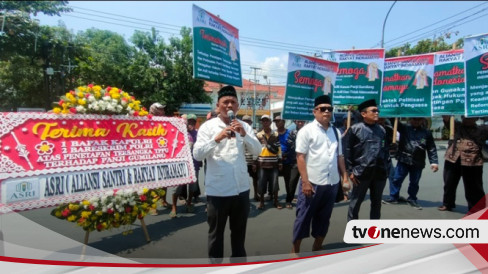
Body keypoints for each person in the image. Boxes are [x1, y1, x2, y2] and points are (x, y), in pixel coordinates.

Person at [193, 85, 261, 263]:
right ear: (218, 106)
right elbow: (198, 154)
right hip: (218, 191)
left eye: (233, 102)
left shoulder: (244, 125)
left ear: (238, 106)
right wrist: (218, 138)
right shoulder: (208, 127)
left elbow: (258, 151)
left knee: (239, 236)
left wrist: (244, 134)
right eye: (226, 102)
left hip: (241, 190)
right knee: (216, 236)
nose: (229, 105)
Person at [291, 95, 349, 253]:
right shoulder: (306, 131)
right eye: (322, 109)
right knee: (303, 217)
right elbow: (300, 157)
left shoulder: (336, 132)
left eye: (329, 109)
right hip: (312, 183)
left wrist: (344, 176)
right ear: (314, 111)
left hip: (331, 183)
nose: (326, 112)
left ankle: (317, 246)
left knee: (324, 218)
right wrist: (305, 182)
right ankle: (295, 250)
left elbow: (340, 156)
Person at [346, 99, 390, 221]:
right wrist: (350, 171)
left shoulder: (382, 130)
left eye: (377, 111)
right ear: (364, 114)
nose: (377, 113)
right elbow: (347, 152)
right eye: (373, 111)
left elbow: (385, 151)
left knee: (376, 204)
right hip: (361, 173)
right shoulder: (355, 129)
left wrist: (387, 168)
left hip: (379, 173)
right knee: (355, 203)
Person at [383, 118, 438, 210]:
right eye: (414, 119)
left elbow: (431, 148)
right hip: (403, 159)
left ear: (422, 121)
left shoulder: (426, 132)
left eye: (418, 120)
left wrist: (434, 162)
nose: (416, 121)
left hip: (418, 161)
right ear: (410, 120)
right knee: (396, 179)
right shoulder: (404, 128)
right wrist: (394, 111)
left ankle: (412, 199)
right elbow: (393, 120)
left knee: (414, 182)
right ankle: (394, 197)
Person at [439, 116, 488, 213]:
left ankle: (476, 208)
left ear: (476, 118)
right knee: (449, 183)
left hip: (473, 162)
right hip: (453, 158)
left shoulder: (483, 129)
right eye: (464, 117)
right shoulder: (456, 125)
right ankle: (447, 204)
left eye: (470, 117)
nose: (466, 119)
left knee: (474, 187)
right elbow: (446, 118)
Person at [169, 114, 201, 218]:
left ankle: (189, 203)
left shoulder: (198, 134)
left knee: (192, 187)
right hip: (180, 165)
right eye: (189, 121)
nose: (190, 124)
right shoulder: (179, 132)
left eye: (193, 122)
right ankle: (174, 207)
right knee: (177, 188)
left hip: (193, 164)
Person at [256, 115, 282, 210]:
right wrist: (255, 162)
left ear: (270, 122)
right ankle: (262, 202)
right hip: (262, 163)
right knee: (261, 183)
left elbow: (278, 149)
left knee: (275, 183)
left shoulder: (275, 134)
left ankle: (276, 201)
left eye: (267, 121)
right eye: (263, 121)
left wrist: (280, 161)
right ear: (261, 123)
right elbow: (256, 149)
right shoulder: (258, 135)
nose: (265, 122)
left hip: (273, 163)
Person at [148, 102, 170, 214]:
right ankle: (152, 205)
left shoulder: (165, 121)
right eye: (160, 109)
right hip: (152, 155)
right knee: (154, 182)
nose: (163, 111)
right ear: (154, 110)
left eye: (163, 109)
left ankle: (163, 200)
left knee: (164, 180)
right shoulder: (148, 121)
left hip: (164, 153)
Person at [284, 120, 306, 208]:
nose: (300, 123)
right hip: (295, 161)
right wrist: (300, 145)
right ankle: (289, 200)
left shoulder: (308, 132)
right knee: (292, 182)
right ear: (295, 122)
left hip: (308, 162)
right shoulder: (292, 132)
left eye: (302, 122)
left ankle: (305, 201)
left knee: (308, 182)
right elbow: (290, 144)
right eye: (298, 122)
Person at [242, 115, 259, 201]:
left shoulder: (254, 132)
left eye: (248, 121)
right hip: (242, 161)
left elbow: (256, 147)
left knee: (255, 179)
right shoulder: (238, 131)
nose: (246, 123)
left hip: (252, 160)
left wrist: (254, 161)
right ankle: (244, 197)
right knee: (243, 179)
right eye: (244, 121)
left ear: (251, 123)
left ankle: (256, 194)